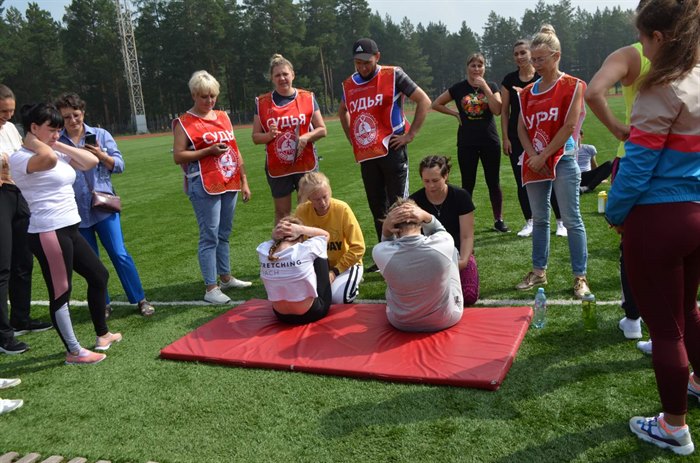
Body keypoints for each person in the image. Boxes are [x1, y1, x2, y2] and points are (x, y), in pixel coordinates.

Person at [605, 0, 700, 454]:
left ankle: (674, 427)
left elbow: (638, 168)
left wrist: (614, 213)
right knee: (689, 310)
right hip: (695, 214)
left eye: (643, 39)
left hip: (658, 219)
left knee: (665, 330)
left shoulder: (660, 87)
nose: (641, 49)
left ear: (659, 37)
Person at [10, 103, 122, 365]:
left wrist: (56, 142)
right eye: (52, 129)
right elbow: (48, 160)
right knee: (61, 291)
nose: (57, 134)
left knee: (99, 275)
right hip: (48, 231)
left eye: (59, 129)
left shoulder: (55, 149)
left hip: (70, 227)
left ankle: (102, 334)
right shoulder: (21, 157)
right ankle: (73, 351)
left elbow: (90, 161)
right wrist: (36, 142)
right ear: (33, 128)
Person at [55, 92, 154, 318]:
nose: (72, 120)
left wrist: (101, 155)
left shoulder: (100, 134)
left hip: (103, 206)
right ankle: (103, 303)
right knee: (92, 262)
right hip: (75, 210)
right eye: (66, 117)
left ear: (83, 112)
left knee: (119, 253)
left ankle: (140, 299)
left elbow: (119, 165)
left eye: (76, 115)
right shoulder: (58, 142)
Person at [515, 25, 591, 299]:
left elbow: (569, 125)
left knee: (571, 219)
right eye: (533, 59)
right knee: (539, 219)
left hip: (563, 159)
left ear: (556, 56)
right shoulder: (527, 93)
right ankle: (539, 271)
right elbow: (521, 128)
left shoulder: (572, 86)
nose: (535, 64)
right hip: (535, 161)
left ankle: (580, 276)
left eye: (540, 59)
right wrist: (533, 156)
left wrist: (544, 155)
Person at [585, 41, 650, 345]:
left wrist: (617, 128)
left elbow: (593, 92)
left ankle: (634, 318)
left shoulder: (633, 53)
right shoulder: (690, 52)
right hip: (684, 161)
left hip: (636, 157)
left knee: (632, 242)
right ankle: (670, 322)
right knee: (678, 246)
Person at [338, 38, 431, 249]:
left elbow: (423, 100)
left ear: (377, 57)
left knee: (399, 206)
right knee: (377, 208)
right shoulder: (349, 84)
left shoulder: (393, 75)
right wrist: (352, 139)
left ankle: (406, 249)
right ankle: (385, 252)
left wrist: (410, 134)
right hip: (367, 155)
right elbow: (342, 111)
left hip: (393, 150)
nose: (363, 67)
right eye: (358, 63)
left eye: (367, 62)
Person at [173, 70, 252, 305]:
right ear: (194, 95)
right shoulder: (184, 122)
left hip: (229, 180)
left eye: (213, 96)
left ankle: (225, 277)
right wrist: (208, 151)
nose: (209, 101)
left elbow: (235, 149)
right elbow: (178, 156)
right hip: (204, 184)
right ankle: (211, 287)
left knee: (224, 233)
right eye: (204, 96)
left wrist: (244, 180)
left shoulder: (223, 117)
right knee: (209, 236)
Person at [0, 84, 52, 355]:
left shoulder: (10, 128)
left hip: (18, 194)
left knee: (23, 260)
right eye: (2, 111)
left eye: (10, 111)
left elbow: (20, 156)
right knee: (2, 267)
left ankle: (21, 318)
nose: (8, 116)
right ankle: (3, 335)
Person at [433, 52, 508, 233]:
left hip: (489, 141)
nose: (476, 69)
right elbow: (436, 104)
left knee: (493, 182)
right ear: (467, 67)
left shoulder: (491, 86)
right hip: (467, 142)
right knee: (468, 183)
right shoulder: (459, 88)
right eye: (473, 65)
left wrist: (485, 88)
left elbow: (497, 110)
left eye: (480, 65)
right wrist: (455, 114)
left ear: (484, 68)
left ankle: (498, 219)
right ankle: (465, 221)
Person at [500, 42, 566, 238]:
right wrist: (505, 137)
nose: (519, 57)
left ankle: (560, 221)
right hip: (517, 137)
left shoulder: (541, 77)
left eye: (523, 52)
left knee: (551, 175)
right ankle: (530, 221)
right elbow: (504, 112)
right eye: (516, 54)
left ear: (531, 54)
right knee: (522, 179)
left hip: (542, 133)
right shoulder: (509, 80)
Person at [252, 54, 327, 224]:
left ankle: (311, 241)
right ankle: (284, 242)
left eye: (285, 74)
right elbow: (256, 137)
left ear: (293, 74)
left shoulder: (307, 97)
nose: (282, 78)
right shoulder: (262, 102)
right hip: (278, 167)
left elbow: (322, 129)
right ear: (272, 78)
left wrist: (306, 137)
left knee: (309, 210)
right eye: (277, 75)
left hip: (305, 164)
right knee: (282, 213)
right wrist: (269, 136)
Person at [372, 199, 463, 332]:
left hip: (401, 322)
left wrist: (385, 229)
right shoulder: (444, 242)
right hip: (445, 319)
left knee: (389, 269)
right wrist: (428, 216)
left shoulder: (379, 251)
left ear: (394, 228)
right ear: (420, 222)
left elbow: (386, 244)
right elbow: (438, 229)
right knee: (452, 251)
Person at [409, 155, 479, 305]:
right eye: (426, 181)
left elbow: (467, 236)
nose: (431, 186)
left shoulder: (461, 196)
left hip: (457, 253)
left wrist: (463, 261)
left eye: (435, 180)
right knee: (424, 297)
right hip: (428, 256)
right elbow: (411, 238)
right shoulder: (414, 201)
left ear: (445, 176)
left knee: (469, 295)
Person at [295, 172, 364, 304]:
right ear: (309, 198)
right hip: (318, 267)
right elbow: (296, 244)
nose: (322, 203)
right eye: (317, 199)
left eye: (325, 196)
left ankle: (352, 284)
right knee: (304, 297)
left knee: (338, 299)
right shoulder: (301, 211)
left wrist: (334, 272)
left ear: (330, 191)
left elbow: (358, 248)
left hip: (346, 264)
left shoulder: (342, 209)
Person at [258, 216, 332, 324]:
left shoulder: (263, 249)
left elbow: (275, 243)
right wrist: (301, 229)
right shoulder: (306, 248)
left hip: (281, 315)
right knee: (319, 253)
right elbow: (325, 235)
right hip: (311, 313)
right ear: (299, 236)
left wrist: (276, 232)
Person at [576, 129, 612, 194]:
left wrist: (600, 177)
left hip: (586, 175)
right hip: (572, 176)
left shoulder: (589, 148)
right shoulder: (566, 150)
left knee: (610, 164)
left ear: (582, 136)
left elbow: (594, 165)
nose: (575, 139)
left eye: (577, 136)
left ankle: (588, 188)